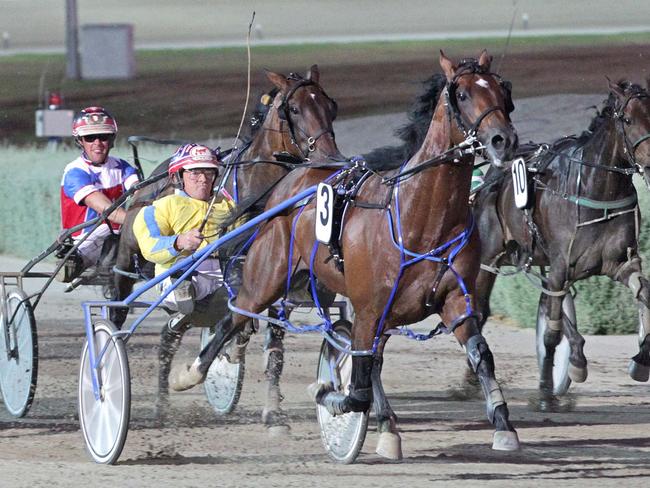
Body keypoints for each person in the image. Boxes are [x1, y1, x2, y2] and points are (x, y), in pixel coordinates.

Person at [132, 143, 239, 324]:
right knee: (184, 273)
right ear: (178, 176)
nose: (203, 179)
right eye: (195, 172)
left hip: (224, 274)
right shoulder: (160, 207)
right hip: (179, 273)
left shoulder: (228, 206)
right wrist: (179, 242)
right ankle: (183, 292)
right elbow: (149, 246)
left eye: (209, 172)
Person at [57, 106, 139, 282]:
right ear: (80, 141)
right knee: (108, 232)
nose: (97, 143)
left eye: (103, 137)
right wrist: (139, 221)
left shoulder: (123, 167)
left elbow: (139, 192)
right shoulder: (74, 172)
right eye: (90, 138)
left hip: (121, 233)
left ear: (111, 139)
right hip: (83, 241)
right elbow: (105, 208)